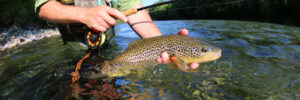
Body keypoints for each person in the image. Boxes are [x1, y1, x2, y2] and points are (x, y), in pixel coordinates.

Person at [35, 0, 199, 69]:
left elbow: (133, 10)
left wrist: (166, 46)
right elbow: (43, 7)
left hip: (109, 50)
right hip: (75, 54)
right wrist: (83, 15)